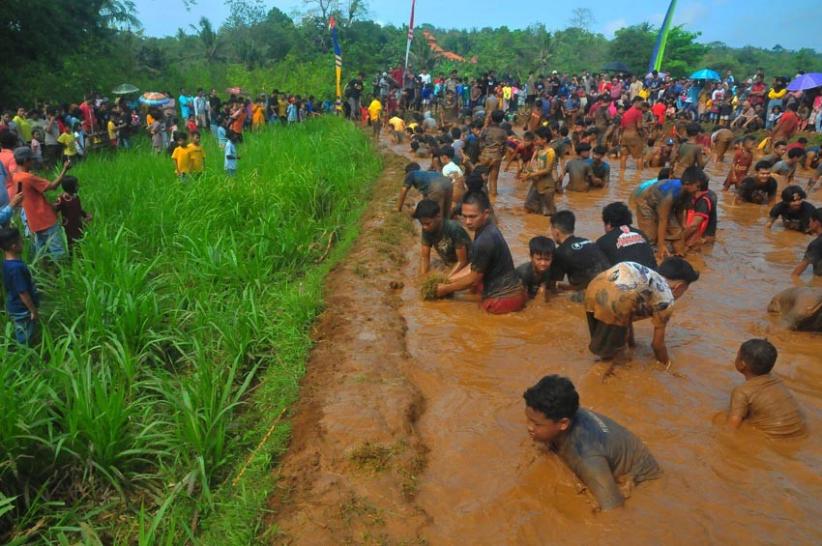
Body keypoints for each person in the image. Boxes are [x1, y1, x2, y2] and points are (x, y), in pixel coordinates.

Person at [523, 375, 661, 511]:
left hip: (646, 481)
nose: (529, 427)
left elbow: (614, 509)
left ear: (563, 423)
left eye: (536, 424)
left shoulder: (586, 456)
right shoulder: (566, 412)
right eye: (528, 419)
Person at [584, 257, 699, 367]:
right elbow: (657, 345)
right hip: (616, 301)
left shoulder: (646, 276)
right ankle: (591, 382)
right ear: (679, 287)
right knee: (610, 359)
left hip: (593, 288)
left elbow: (628, 314)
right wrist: (667, 365)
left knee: (606, 347)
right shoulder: (666, 298)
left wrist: (632, 345)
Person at [435, 191, 526, 314]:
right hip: (514, 292)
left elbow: (473, 279)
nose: (467, 222)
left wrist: (446, 289)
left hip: (503, 301)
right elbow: (473, 265)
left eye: (472, 216)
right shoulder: (488, 227)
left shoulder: (484, 240)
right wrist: (448, 280)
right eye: (464, 216)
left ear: (486, 213)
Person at [727, 339, 807, 438]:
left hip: (773, 438)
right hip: (800, 432)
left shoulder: (742, 391)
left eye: (737, 355)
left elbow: (731, 429)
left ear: (742, 364)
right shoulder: (777, 381)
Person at [15, 147, 70, 260]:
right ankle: (64, 273)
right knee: (58, 251)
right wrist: (65, 169)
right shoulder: (29, 177)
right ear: (26, 161)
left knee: (41, 252)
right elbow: (53, 186)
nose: (32, 162)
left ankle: (47, 271)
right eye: (31, 160)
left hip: (33, 222)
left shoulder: (16, 176)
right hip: (45, 219)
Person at [632, 175, 697, 260]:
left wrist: (682, 227)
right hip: (646, 203)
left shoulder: (688, 192)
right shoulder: (669, 194)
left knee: (677, 232)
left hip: (664, 204)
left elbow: (679, 212)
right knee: (650, 237)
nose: (698, 190)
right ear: (688, 184)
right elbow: (663, 220)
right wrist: (661, 245)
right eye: (697, 187)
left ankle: (679, 256)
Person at [549, 210, 610, 292]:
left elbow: (552, 286)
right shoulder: (588, 241)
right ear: (573, 228)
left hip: (596, 291)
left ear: (556, 232)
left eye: (551, 229)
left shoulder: (560, 252)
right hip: (612, 282)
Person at [1, 227, 40, 345]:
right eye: (20, 241)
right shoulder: (16, 269)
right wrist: (33, 310)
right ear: (14, 246)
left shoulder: (6, 263)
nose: (23, 242)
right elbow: (22, 292)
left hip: (14, 303)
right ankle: (26, 355)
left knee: (24, 330)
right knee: (24, 334)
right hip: (21, 308)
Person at [413, 199, 470, 276]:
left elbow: (462, 261)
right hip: (450, 264)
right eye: (421, 224)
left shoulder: (454, 229)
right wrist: (423, 277)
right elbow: (424, 257)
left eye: (427, 223)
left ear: (438, 216)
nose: (424, 227)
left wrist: (446, 279)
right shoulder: (427, 229)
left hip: (467, 265)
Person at [597, 202, 656, 270]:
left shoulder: (602, 242)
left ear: (609, 223)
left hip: (626, 278)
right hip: (653, 276)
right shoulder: (642, 234)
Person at [521, 127, 557, 216]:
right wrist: (528, 172)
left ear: (544, 139)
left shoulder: (550, 152)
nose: (535, 141)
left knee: (548, 213)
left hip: (546, 186)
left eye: (537, 139)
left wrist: (530, 175)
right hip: (536, 184)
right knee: (528, 207)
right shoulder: (539, 150)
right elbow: (537, 165)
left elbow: (547, 170)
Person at [54, 175, 91, 251]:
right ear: (71, 187)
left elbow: (79, 209)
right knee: (71, 245)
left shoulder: (76, 197)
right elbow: (54, 210)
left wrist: (85, 215)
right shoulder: (61, 199)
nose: (78, 186)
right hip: (68, 227)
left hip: (78, 225)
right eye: (76, 185)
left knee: (80, 242)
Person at [479, 110, 507, 195]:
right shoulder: (503, 132)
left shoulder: (486, 130)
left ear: (491, 118)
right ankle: (494, 199)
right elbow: (504, 147)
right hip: (497, 156)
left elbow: (480, 140)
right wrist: (500, 155)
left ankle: (483, 197)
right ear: (502, 120)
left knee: (483, 177)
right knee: (493, 180)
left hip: (486, 155)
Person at [792, 207, 822, 277]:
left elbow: (796, 273)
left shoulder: (816, 244)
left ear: (816, 223)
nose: (809, 223)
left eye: (810, 221)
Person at [619, 97, 647, 171]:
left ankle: (621, 174)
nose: (642, 105)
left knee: (624, 156)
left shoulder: (626, 112)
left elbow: (621, 127)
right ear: (637, 102)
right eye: (642, 103)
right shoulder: (638, 112)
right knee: (639, 157)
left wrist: (621, 137)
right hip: (634, 135)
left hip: (625, 135)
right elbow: (639, 126)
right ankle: (639, 176)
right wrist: (644, 133)